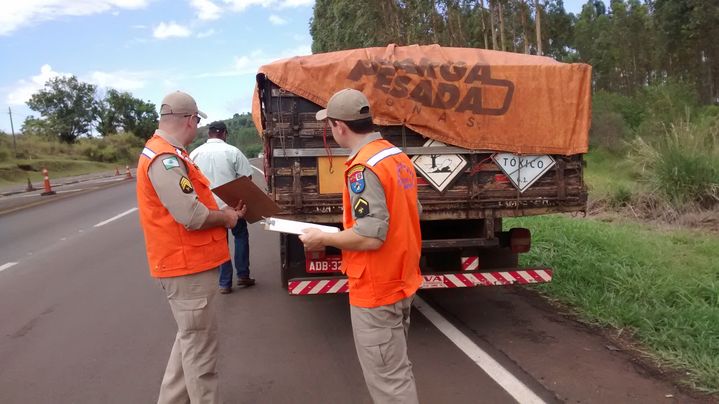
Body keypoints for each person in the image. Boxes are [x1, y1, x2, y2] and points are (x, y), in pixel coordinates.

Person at [299, 89, 423, 404]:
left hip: (377, 288)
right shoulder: (396, 156)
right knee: (397, 371)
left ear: (340, 126)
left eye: (330, 125)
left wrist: (322, 236)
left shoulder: (362, 168)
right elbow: (413, 211)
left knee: (390, 385)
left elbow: (370, 234)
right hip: (400, 279)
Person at [136, 90, 246, 404]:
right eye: (197, 120)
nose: (197, 127)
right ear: (189, 120)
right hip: (187, 269)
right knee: (201, 355)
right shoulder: (165, 158)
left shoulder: (174, 154)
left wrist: (229, 214)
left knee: (189, 344)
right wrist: (226, 218)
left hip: (189, 267)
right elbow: (192, 215)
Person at [190, 120, 255, 294]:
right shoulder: (232, 151)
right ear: (224, 134)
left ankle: (225, 282)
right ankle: (243, 275)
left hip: (208, 209)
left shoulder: (194, 154)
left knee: (220, 243)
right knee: (240, 236)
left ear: (209, 134)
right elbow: (247, 179)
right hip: (233, 206)